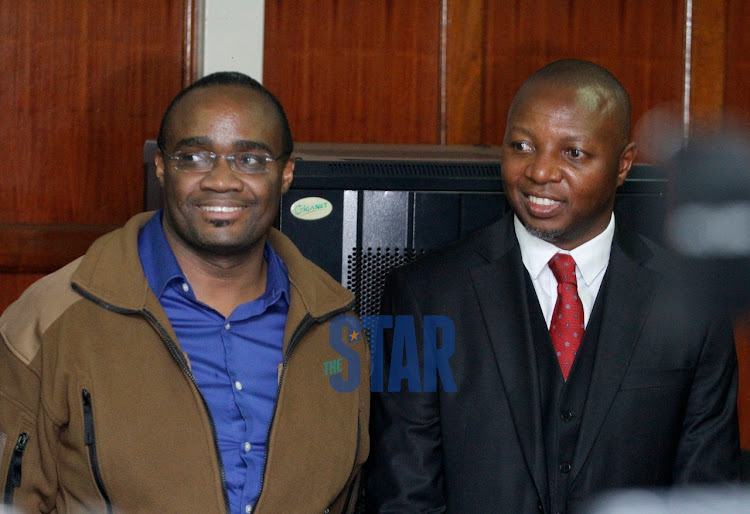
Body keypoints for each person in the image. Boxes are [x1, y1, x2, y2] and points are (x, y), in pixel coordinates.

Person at [366, 60, 740, 512]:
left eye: (573, 153)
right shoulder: (419, 295)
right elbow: (402, 495)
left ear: (623, 165)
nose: (539, 172)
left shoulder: (693, 305)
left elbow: (703, 490)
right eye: (522, 145)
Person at [0, 72, 369, 513]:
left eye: (250, 160)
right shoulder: (54, 317)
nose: (221, 180)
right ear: (161, 167)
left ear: (286, 173)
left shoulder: (335, 323)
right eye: (194, 156)